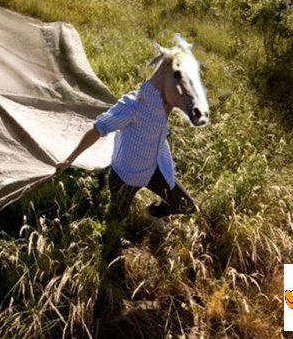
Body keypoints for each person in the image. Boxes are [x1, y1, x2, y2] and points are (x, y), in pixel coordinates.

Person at [56, 44, 205, 262]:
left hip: (155, 168)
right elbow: (98, 129)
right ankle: (108, 260)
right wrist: (70, 159)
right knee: (115, 225)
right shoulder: (133, 105)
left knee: (186, 206)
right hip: (125, 176)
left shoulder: (165, 103)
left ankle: (154, 213)